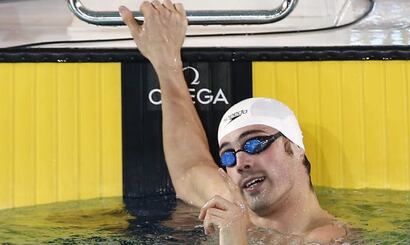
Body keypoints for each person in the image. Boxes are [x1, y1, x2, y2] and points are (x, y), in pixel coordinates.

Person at [119, 1, 347, 243]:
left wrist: (233, 238)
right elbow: (189, 168)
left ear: (296, 148)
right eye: (228, 155)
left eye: (255, 144)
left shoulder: (329, 238)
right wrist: (166, 60)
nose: (240, 163)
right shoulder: (235, 205)